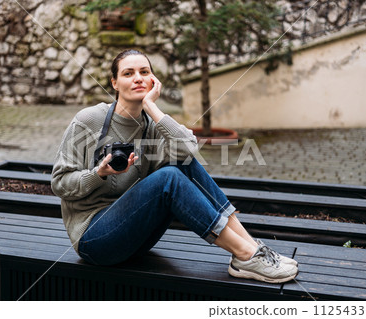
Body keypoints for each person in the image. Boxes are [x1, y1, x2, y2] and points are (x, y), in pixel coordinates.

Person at [51, 49, 298, 283]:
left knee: (182, 163)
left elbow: (190, 151)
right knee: (169, 177)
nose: (138, 78)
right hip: (95, 240)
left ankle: (253, 250)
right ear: (114, 83)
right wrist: (99, 173)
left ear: (153, 81)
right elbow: (59, 183)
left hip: (137, 236)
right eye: (128, 73)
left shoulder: (154, 125)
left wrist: (152, 107)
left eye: (144, 72)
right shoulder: (88, 121)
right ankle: (245, 254)